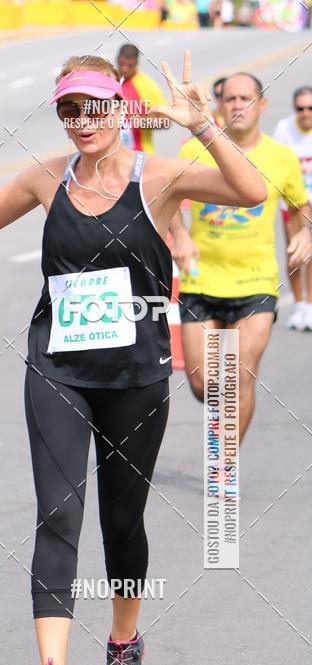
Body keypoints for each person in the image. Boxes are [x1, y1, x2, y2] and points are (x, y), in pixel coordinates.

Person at [0, 51, 267, 665]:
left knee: (122, 521)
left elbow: (253, 192)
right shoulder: (45, 178)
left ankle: (122, 642)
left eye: (93, 107)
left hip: (136, 375)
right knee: (58, 514)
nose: (82, 122)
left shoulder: (161, 177)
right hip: (57, 368)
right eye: (68, 110)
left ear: (119, 109)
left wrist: (206, 128)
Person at [172, 73, 311, 444]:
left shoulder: (281, 158)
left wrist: (305, 233)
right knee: (204, 384)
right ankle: (224, 437)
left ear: (261, 104)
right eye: (230, 99)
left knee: (238, 374)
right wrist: (181, 234)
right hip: (201, 280)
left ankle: (225, 462)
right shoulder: (192, 152)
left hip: (255, 283)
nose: (237, 105)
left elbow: (302, 205)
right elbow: (166, 195)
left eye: (245, 98)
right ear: (219, 106)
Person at [272, 86, 312, 331]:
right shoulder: (284, 129)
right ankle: (299, 305)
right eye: (301, 108)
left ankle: (310, 305)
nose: (306, 112)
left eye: (310, 108)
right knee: (295, 254)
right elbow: (276, 166)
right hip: (293, 201)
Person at [116, 44, 170, 155]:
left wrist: (142, 122)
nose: (124, 68)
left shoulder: (148, 84)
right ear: (117, 59)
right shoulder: (110, 80)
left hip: (141, 156)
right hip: (112, 157)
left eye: (129, 65)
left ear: (136, 63)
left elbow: (166, 121)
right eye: (121, 64)